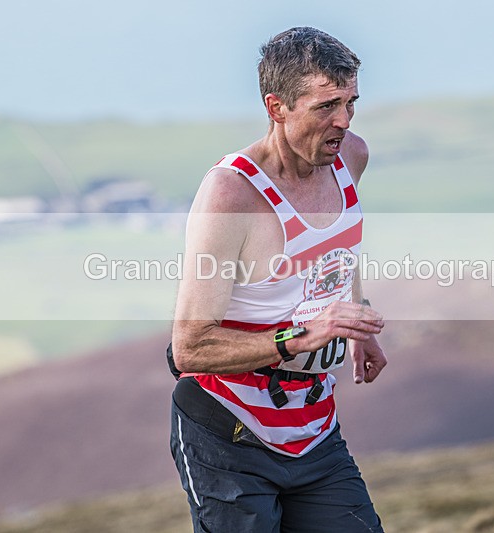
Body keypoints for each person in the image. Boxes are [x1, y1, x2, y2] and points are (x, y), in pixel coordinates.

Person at [167, 26, 387, 532]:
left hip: (312, 426)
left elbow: (336, 249)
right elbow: (189, 348)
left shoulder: (351, 156)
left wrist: (352, 321)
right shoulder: (232, 194)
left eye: (351, 102)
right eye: (326, 106)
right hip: (227, 428)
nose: (343, 122)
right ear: (277, 106)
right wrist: (306, 336)